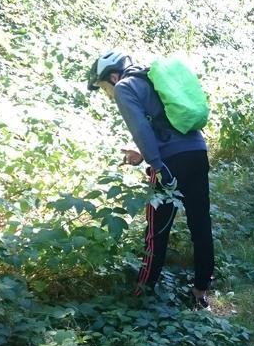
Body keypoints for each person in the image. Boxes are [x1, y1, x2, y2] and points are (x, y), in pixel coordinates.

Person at [88, 51, 213, 309]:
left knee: (156, 232)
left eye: (103, 87)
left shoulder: (124, 87)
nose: (107, 93)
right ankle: (201, 292)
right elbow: (164, 124)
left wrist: (156, 165)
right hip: (197, 151)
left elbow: (141, 130)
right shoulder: (152, 79)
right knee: (200, 224)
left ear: (112, 76)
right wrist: (144, 156)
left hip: (169, 163)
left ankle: (141, 294)